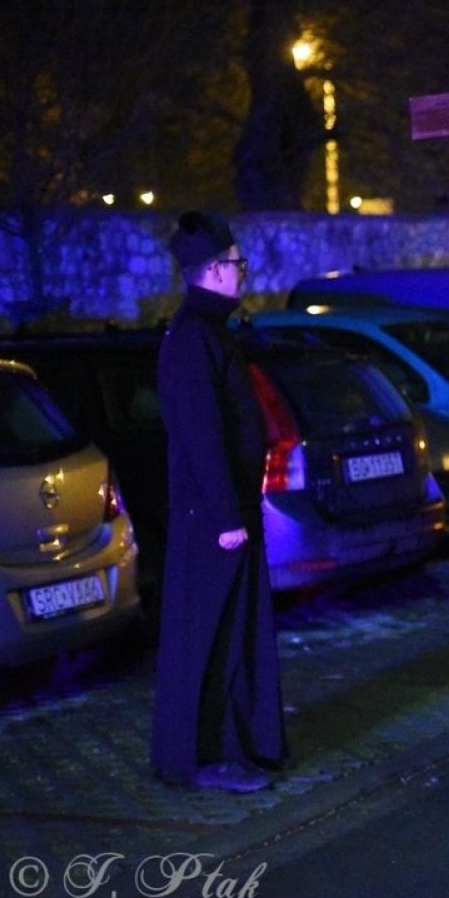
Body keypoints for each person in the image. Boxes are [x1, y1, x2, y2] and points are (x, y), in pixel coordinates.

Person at [151, 211, 286, 793]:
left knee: (236, 630)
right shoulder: (192, 337)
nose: (242, 274)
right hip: (213, 519)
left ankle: (242, 744)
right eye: (236, 264)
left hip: (228, 513)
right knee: (210, 635)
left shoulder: (211, 332)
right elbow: (202, 433)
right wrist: (227, 517)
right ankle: (205, 754)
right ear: (211, 269)